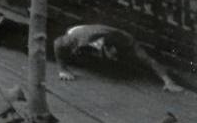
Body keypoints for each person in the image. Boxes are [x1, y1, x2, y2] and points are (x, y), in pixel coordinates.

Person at [54, 24, 183, 93]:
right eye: (113, 55)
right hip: (80, 31)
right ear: (104, 47)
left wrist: (168, 81)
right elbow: (57, 43)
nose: (115, 57)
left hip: (106, 37)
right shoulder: (79, 39)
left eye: (117, 55)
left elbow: (150, 61)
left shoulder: (129, 43)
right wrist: (63, 69)